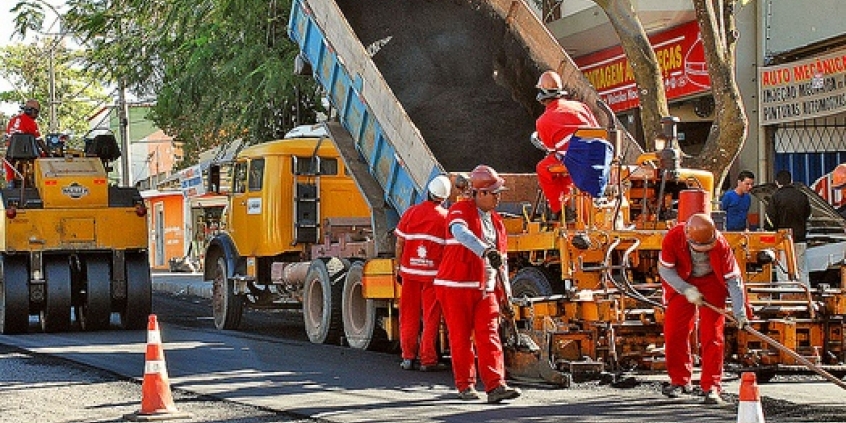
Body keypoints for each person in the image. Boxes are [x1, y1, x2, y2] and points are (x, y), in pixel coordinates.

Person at [434, 164, 521, 404]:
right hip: (455, 286)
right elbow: (460, 233)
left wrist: (506, 298)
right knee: (460, 338)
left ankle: (496, 386)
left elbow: (501, 262)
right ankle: (465, 386)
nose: (498, 197)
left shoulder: (497, 223)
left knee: (489, 335)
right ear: (480, 193)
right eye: (494, 193)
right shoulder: (460, 210)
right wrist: (485, 251)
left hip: (485, 288)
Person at [659, 213, 750, 406]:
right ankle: (679, 380)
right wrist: (685, 289)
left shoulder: (721, 244)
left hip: (712, 282)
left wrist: (739, 311)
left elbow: (733, 279)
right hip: (683, 280)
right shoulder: (673, 237)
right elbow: (665, 269)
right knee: (674, 331)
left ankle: (712, 386)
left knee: (712, 335)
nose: (703, 252)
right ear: (688, 236)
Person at [395, 175, 451, 372]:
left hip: (409, 273)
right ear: (444, 198)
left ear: (428, 192)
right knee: (431, 317)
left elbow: (400, 242)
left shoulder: (411, 213)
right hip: (432, 276)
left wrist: (397, 267)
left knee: (408, 316)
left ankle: (408, 358)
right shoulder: (446, 218)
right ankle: (428, 360)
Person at [534, 70, 599, 217]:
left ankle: (559, 209)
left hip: (572, 160)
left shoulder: (543, 121)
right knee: (566, 168)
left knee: (544, 168)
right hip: (596, 155)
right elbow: (597, 130)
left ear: (542, 94)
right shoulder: (581, 107)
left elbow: (551, 148)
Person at [764, 170, 812, 285]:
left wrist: (770, 232)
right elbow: (808, 215)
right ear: (791, 181)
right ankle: (805, 298)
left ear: (777, 182)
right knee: (801, 271)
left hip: (782, 241)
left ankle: (786, 300)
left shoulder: (775, 197)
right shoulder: (802, 196)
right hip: (800, 239)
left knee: (784, 272)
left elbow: (770, 221)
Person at [4, 99, 43, 185]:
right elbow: (39, 140)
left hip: (12, 154)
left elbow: (7, 139)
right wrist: (48, 153)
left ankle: (11, 182)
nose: (37, 115)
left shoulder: (12, 120)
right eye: (36, 112)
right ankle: (39, 181)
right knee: (44, 158)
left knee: (7, 161)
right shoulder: (30, 122)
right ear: (31, 111)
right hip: (28, 153)